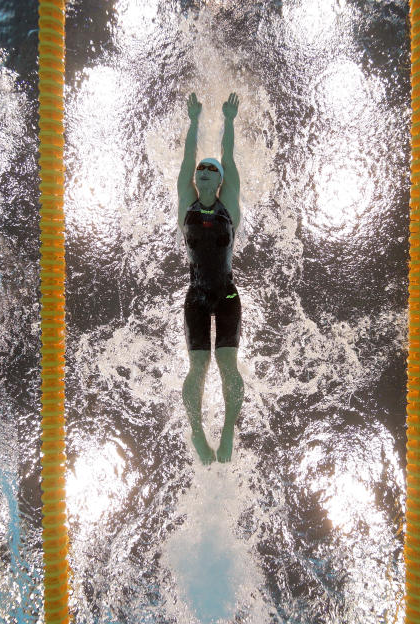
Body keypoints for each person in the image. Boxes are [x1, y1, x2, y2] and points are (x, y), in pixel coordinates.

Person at [177, 92, 244, 464]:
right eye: (201, 169)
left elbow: (229, 159)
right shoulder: (185, 201)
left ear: (218, 180)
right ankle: (198, 432)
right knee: (198, 367)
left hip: (227, 295)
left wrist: (228, 120)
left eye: (210, 170)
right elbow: (187, 160)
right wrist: (193, 121)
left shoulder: (228, 205)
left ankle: (229, 429)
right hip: (196, 298)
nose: (203, 171)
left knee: (227, 364)